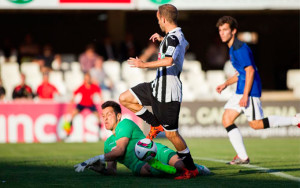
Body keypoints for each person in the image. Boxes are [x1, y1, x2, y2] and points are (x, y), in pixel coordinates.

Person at [119, 4, 198, 179]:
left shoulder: (173, 37)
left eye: (158, 20)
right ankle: (154, 124)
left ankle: (191, 168)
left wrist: (143, 64)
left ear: (163, 18)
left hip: (169, 91)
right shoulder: (176, 35)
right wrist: (164, 39)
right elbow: (185, 46)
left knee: (171, 134)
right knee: (125, 98)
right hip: (156, 85)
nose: (158, 23)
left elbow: (169, 60)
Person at [215, 16, 300, 165]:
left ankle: (296, 120)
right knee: (227, 119)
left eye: (225, 30)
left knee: (256, 124)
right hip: (241, 89)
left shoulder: (239, 48)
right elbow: (241, 72)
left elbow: (250, 71)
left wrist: (246, 95)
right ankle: (242, 157)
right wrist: (226, 84)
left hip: (249, 90)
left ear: (233, 31)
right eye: (220, 30)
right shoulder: (232, 48)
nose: (222, 33)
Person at [74, 101, 210, 178]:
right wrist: (97, 168)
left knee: (180, 165)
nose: (105, 118)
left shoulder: (125, 124)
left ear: (119, 116)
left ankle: (197, 168)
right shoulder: (107, 144)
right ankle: (176, 170)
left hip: (154, 150)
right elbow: (112, 170)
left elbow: (120, 150)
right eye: (103, 116)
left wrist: (94, 158)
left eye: (109, 114)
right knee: (149, 168)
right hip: (139, 165)